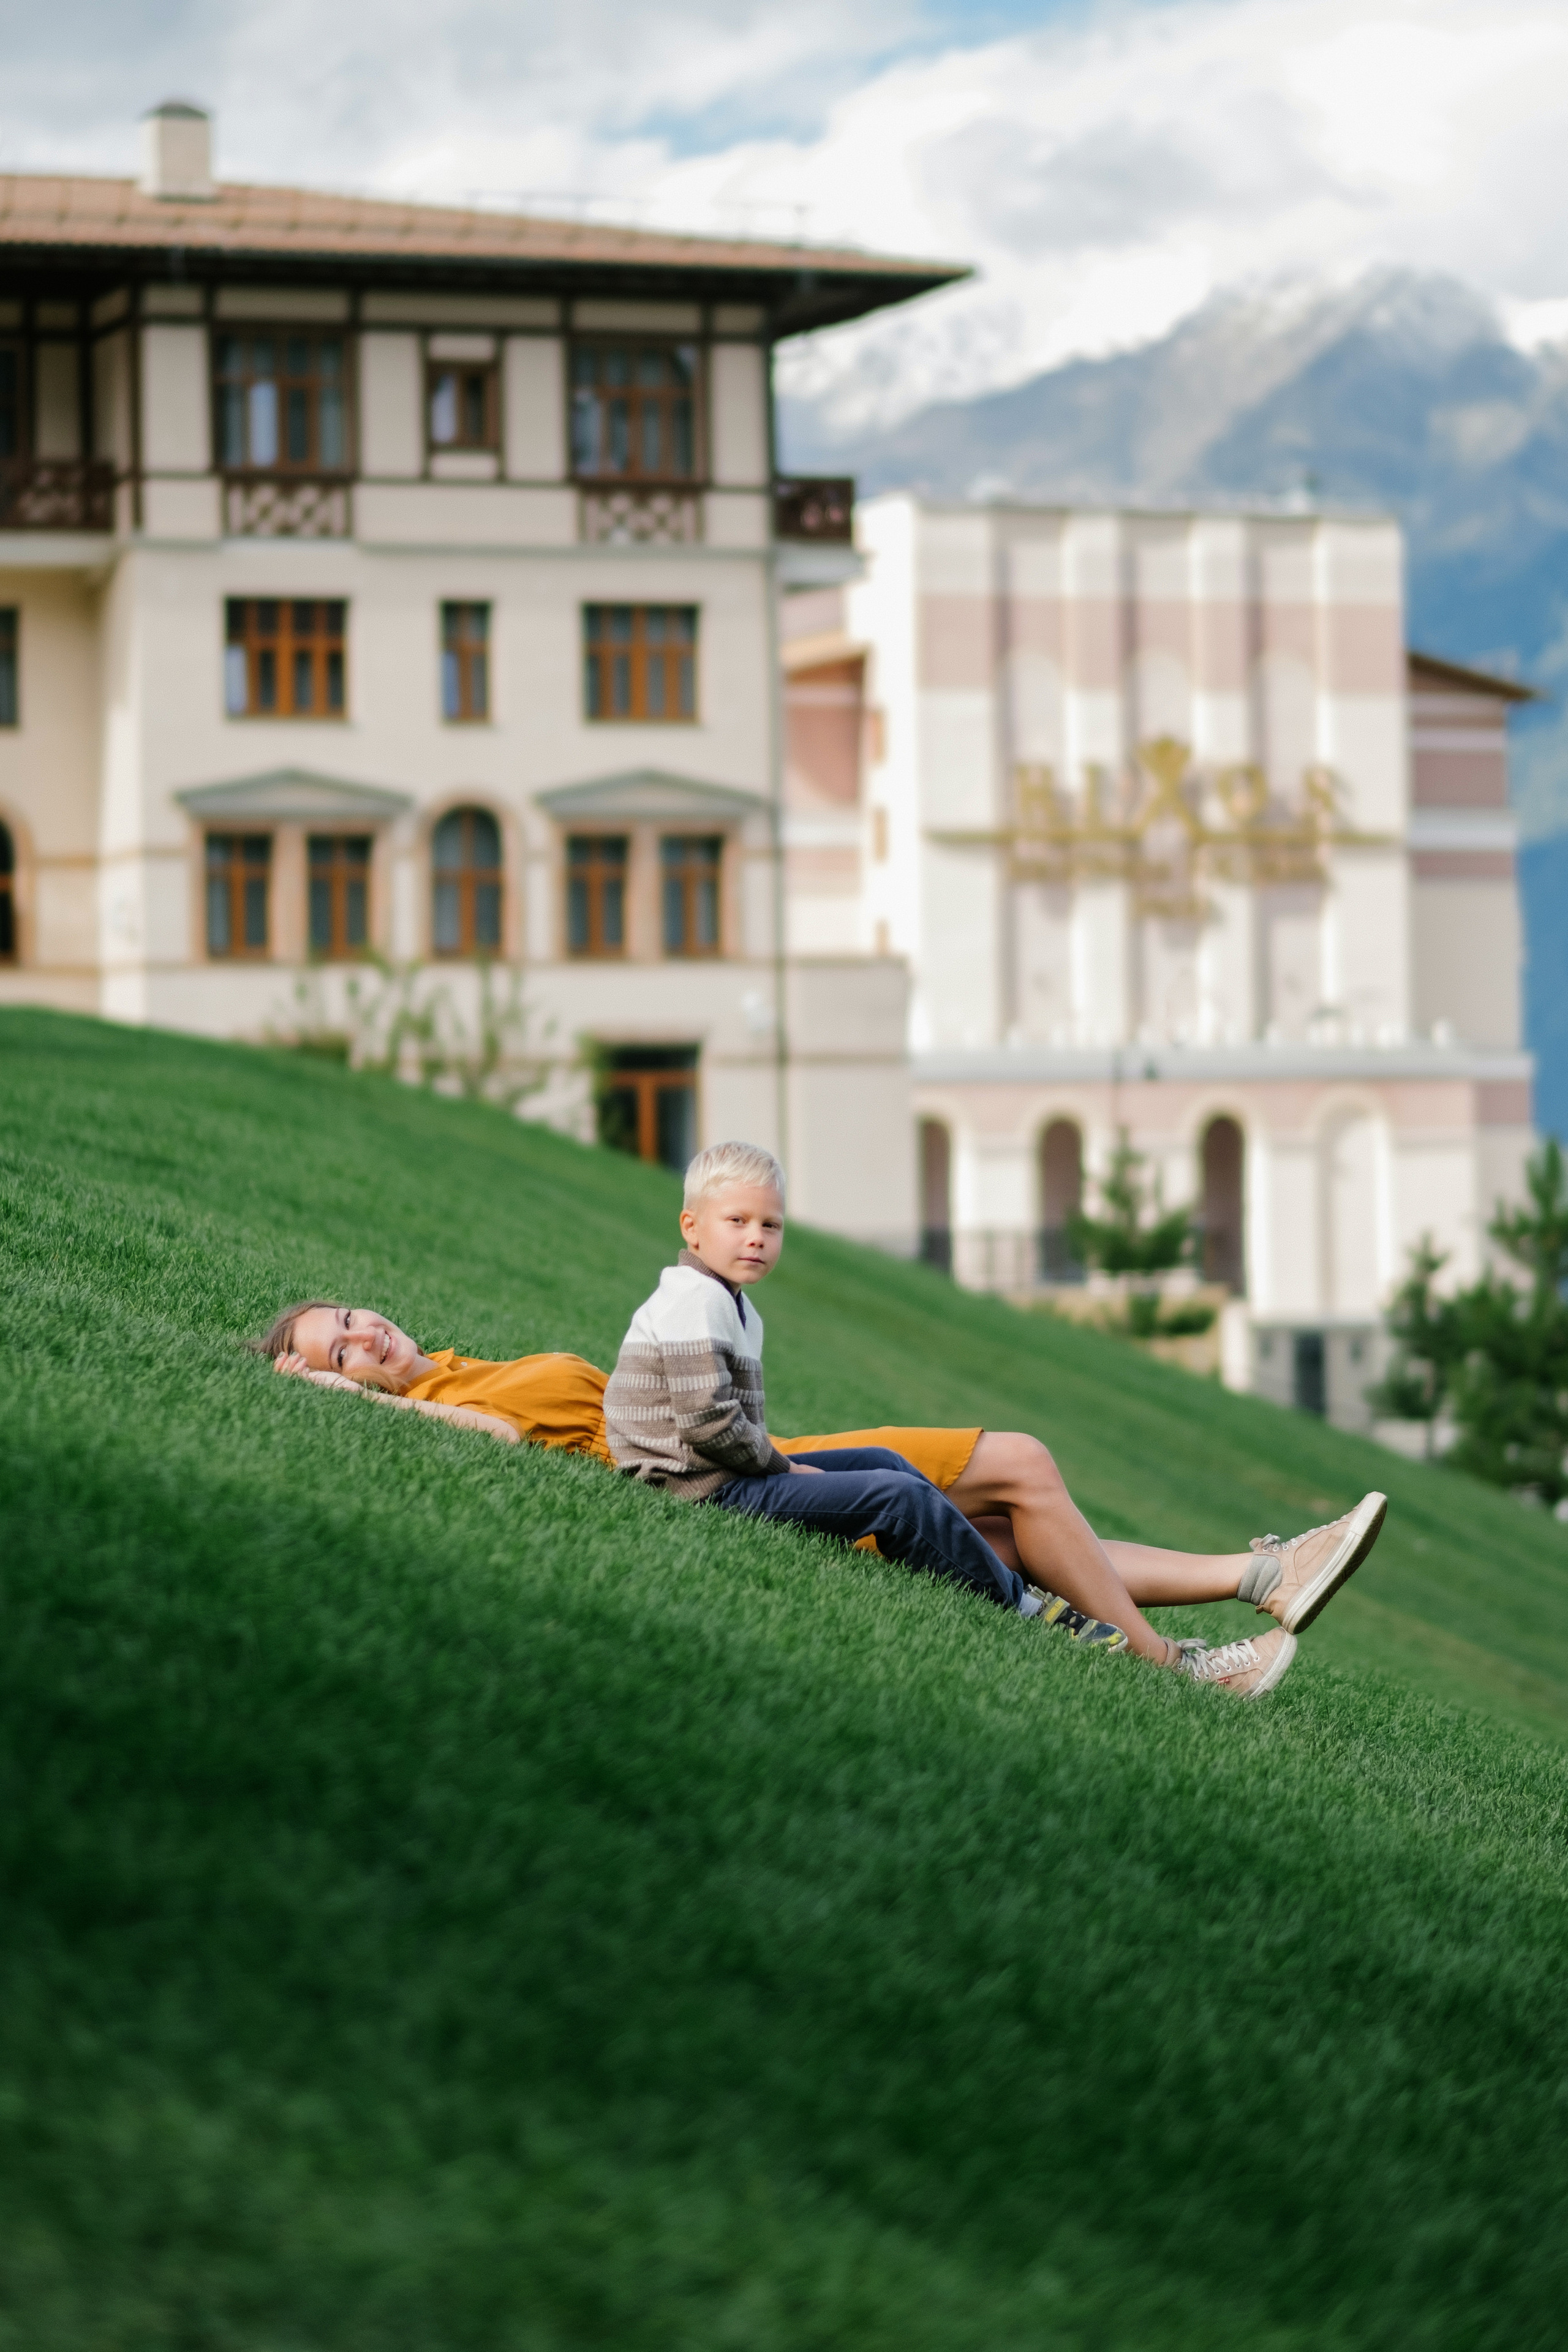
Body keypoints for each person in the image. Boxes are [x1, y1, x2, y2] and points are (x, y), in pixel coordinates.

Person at [257, 1149, 1387, 1698]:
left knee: (1019, 1480)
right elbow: (502, 1444)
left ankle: (1260, 1579)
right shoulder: (451, 1411)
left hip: (753, 1450)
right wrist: (324, 1393)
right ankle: (1195, 1642)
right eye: (341, 1353)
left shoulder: (461, 1364)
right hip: (731, 1485)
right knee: (1002, 1508)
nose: (365, 1338)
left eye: (353, 1319)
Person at [601, 1141, 1385, 1699]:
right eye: (736, 1222)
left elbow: (731, 1421)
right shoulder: (691, 1300)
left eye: (769, 1226)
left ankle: (1221, 1592)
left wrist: (776, 1463)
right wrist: (778, 1467)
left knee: (891, 1466)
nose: (756, 1238)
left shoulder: (734, 1307)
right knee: (898, 1498)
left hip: (722, 1473)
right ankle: (1031, 1609)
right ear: (691, 1227)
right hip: (693, 1487)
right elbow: (707, 1424)